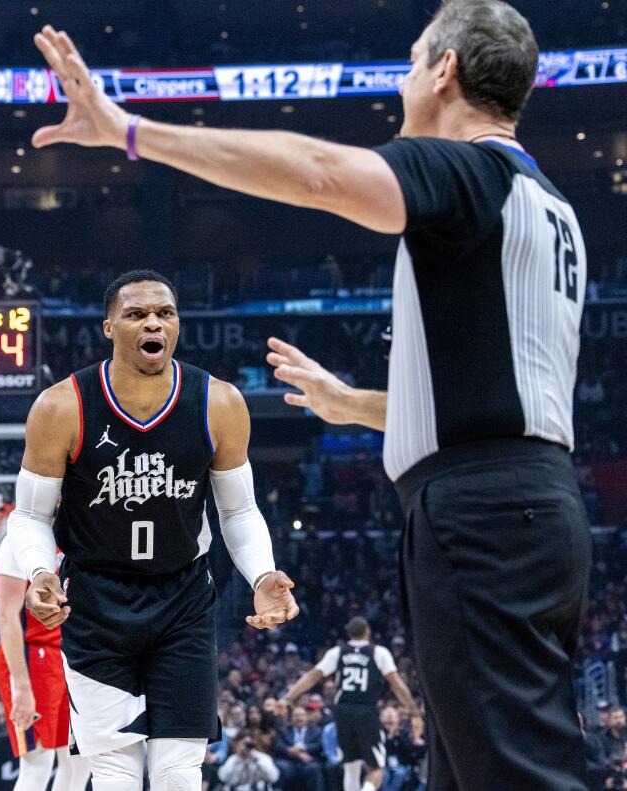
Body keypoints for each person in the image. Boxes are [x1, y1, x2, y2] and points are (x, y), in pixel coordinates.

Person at [30, 1, 590, 786]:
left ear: (446, 70)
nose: (403, 82)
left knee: (513, 772)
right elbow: (512, 402)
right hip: (536, 502)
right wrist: (352, 403)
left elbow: (320, 173)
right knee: (472, 767)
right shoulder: (550, 204)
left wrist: (129, 130)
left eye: (410, 60)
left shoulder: (470, 172)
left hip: (482, 515)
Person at [5, 269, 299, 789]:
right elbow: (30, 515)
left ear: (177, 325)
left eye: (164, 313)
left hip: (182, 597)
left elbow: (238, 512)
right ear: (109, 328)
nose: (153, 323)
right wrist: (37, 571)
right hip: (94, 599)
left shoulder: (219, 403)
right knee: (115, 774)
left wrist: (261, 575)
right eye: (137, 314)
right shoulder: (61, 406)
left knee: (177, 775)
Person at [0, 537, 90, 790]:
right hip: (31, 658)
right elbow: (6, 617)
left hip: (69, 657)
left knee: (79, 760)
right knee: (38, 762)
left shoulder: (78, 533)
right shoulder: (18, 542)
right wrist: (22, 687)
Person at [279, 618, 418, 791]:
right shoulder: (378, 652)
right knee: (376, 770)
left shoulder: (338, 652)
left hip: (343, 711)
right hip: (366, 709)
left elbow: (312, 676)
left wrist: (287, 698)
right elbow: (396, 684)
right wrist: (413, 710)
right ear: (367, 632)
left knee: (351, 767)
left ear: (349, 634)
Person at [271, 706, 324, 791]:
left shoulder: (316, 731)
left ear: (306, 717)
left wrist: (303, 748)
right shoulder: (283, 730)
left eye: (301, 715)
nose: (299, 718)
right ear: (291, 718)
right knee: (282, 767)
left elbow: (319, 745)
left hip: (308, 761)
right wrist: (298, 754)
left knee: (314, 769)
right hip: (289, 760)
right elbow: (278, 745)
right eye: (296, 716)